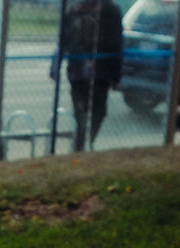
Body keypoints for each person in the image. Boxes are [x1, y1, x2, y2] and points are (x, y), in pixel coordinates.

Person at [55, 0, 123, 152]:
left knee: (98, 111)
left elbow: (117, 42)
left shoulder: (110, 11)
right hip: (78, 71)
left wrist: (115, 74)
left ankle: (85, 143)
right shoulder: (72, 10)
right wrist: (55, 65)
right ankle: (81, 146)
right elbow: (63, 40)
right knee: (81, 111)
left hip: (101, 72)